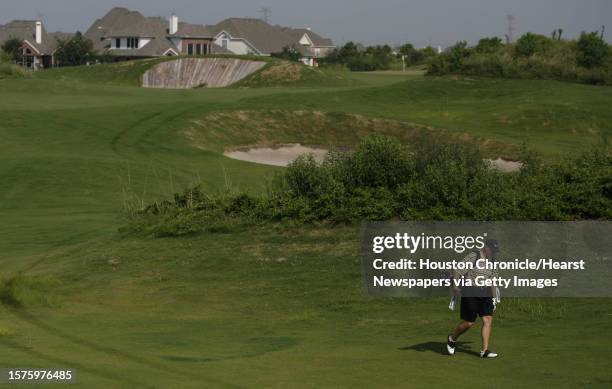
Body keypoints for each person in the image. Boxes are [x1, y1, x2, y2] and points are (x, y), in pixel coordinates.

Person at [446, 239, 500, 358]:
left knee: (487, 319)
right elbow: (457, 270)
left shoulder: (493, 260)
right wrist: (455, 286)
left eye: (495, 250)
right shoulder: (474, 255)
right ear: (486, 246)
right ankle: (452, 338)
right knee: (469, 322)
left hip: (485, 292)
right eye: (492, 249)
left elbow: (493, 280)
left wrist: (494, 298)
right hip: (470, 290)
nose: (493, 252)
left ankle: (484, 350)